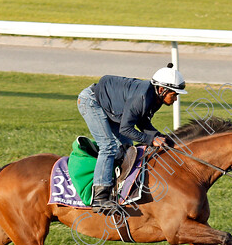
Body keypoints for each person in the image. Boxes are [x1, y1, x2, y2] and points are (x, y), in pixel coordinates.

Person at [77, 63, 187, 210]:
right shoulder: (141, 97)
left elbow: (142, 122)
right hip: (92, 102)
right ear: (162, 90)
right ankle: (99, 197)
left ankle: (116, 186)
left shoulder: (155, 97)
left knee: (126, 149)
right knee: (108, 146)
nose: (175, 99)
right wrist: (152, 140)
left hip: (112, 107)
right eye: (174, 95)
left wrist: (160, 137)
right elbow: (126, 129)